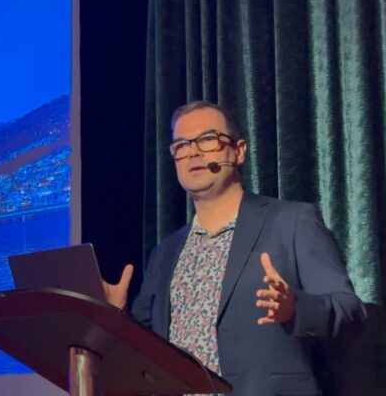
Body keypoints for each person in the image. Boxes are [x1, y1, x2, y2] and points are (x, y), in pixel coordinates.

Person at [104, 101, 366, 395]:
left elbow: (350, 311)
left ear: (239, 151)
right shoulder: (165, 251)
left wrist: (296, 308)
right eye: (181, 145)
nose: (193, 152)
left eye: (207, 139)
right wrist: (117, 315)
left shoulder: (292, 221)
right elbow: (147, 350)